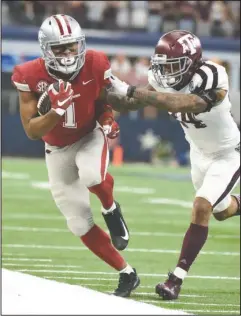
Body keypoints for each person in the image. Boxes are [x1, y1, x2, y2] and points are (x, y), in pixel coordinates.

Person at [11, 14, 140, 297]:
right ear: (46, 49)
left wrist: (107, 119)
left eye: (72, 47)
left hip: (88, 135)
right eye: (60, 48)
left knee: (92, 174)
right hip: (55, 148)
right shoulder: (28, 74)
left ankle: (110, 208)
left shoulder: (95, 62)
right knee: (78, 223)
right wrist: (55, 110)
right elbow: (32, 130)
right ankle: (127, 273)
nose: (68, 54)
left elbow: (105, 98)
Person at [107, 30, 240, 300]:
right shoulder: (160, 77)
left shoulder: (213, 75)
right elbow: (133, 103)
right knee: (221, 211)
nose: (167, 73)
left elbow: (187, 102)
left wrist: (134, 90)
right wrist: (108, 92)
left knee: (202, 206)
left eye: (174, 65)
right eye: (163, 66)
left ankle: (175, 280)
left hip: (228, 153)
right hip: (198, 152)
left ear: (193, 62)